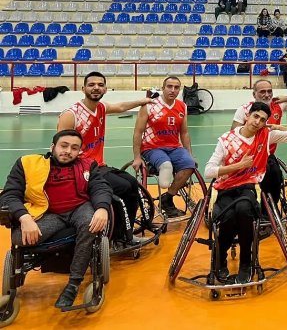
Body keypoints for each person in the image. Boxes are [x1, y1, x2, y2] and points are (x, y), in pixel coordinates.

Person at [205, 102, 287, 282]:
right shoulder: (226, 139)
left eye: (262, 120)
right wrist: (238, 166)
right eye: (255, 117)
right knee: (228, 218)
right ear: (248, 116)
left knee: (244, 212)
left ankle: (246, 262)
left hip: (249, 187)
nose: (257, 122)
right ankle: (220, 260)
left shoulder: (266, 136)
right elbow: (208, 171)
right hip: (226, 187)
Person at [0, 130, 112, 308]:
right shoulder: (27, 163)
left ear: (79, 151)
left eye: (74, 148)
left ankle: (74, 283)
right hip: (48, 212)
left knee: (90, 224)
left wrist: (102, 208)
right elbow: (10, 195)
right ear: (53, 147)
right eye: (64, 146)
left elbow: (101, 188)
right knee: (19, 238)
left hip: (79, 208)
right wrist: (24, 218)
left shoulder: (89, 165)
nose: (68, 151)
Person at [57, 71, 152, 248]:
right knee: (123, 187)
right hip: (81, 170)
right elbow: (59, 149)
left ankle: (122, 232)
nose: (96, 88)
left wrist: (142, 101)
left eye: (100, 85)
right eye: (92, 84)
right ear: (83, 88)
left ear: (105, 89)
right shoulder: (71, 115)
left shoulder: (101, 108)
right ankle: (121, 236)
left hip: (99, 166)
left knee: (131, 183)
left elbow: (121, 106)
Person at [131, 76, 195, 218]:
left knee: (190, 165)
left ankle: (167, 198)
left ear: (180, 89)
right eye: (169, 86)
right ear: (163, 88)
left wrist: (189, 153)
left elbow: (184, 133)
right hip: (152, 148)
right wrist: (136, 157)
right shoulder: (149, 105)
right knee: (166, 167)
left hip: (174, 147)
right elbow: (138, 132)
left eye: (176, 87)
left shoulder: (182, 106)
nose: (173, 90)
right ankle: (168, 188)